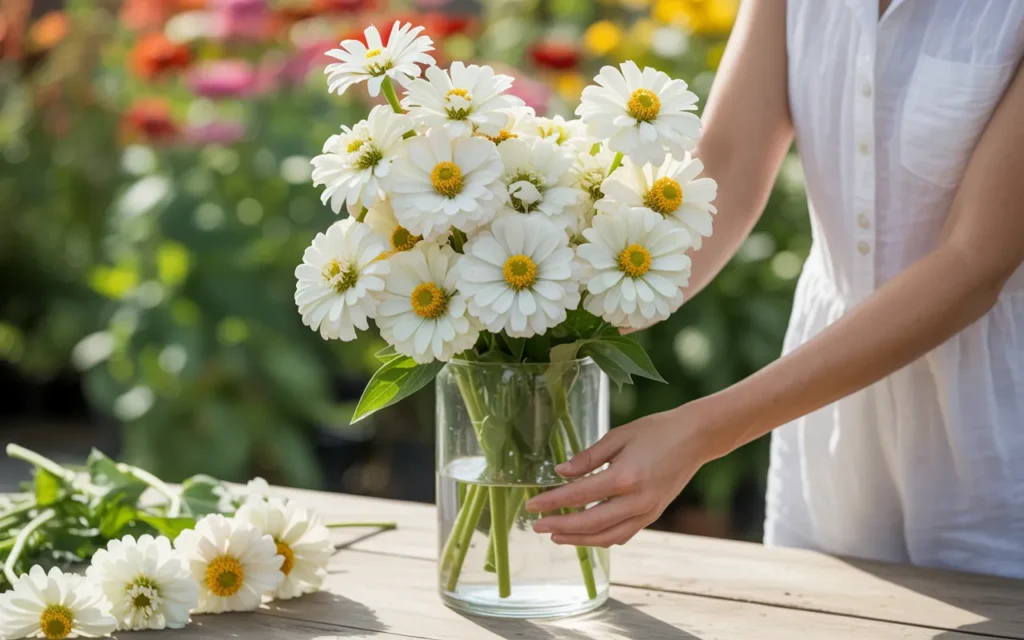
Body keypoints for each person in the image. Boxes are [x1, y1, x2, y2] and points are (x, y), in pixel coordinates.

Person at [526, 0, 1024, 579]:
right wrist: (555, 310)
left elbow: (971, 266)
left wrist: (700, 431)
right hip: (828, 415)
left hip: (994, 421)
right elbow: (729, 164)